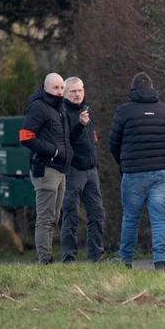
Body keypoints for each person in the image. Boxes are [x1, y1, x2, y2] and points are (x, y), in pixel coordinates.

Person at [108, 72, 165, 270]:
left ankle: (126, 260)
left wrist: (123, 163)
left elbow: (114, 142)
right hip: (161, 172)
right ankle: (161, 261)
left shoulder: (124, 111)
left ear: (133, 90)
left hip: (134, 172)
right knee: (159, 217)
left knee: (130, 217)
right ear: (152, 88)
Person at [20, 72, 73, 265]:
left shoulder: (60, 108)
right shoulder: (39, 107)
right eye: (55, 88)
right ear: (46, 88)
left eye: (61, 88)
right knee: (45, 218)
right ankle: (45, 260)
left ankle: (47, 257)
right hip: (46, 169)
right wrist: (53, 151)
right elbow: (25, 136)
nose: (59, 91)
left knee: (55, 217)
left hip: (61, 170)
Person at [59, 77, 104, 262]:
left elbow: (92, 139)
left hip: (92, 170)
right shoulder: (61, 113)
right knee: (71, 215)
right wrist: (80, 125)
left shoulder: (88, 110)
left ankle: (96, 257)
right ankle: (69, 258)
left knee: (97, 214)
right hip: (73, 170)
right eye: (73, 91)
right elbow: (65, 140)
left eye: (80, 90)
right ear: (65, 93)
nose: (77, 94)